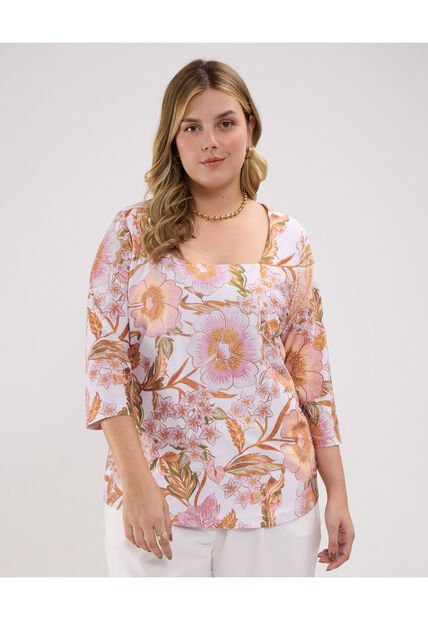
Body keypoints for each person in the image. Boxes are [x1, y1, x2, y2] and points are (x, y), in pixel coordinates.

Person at [85, 58, 355, 577]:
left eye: (225, 123)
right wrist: (137, 485)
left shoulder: (290, 238)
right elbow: (106, 365)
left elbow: (312, 378)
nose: (210, 141)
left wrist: (337, 491)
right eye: (192, 127)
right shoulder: (132, 233)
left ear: (250, 127)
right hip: (158, 498)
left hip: (277, 498)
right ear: (173, 138)